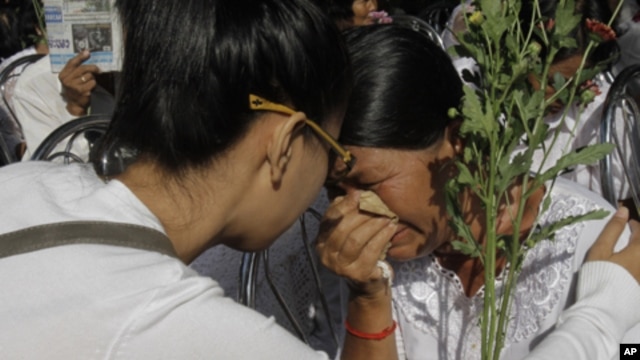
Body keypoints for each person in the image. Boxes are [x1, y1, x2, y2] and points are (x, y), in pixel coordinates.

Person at [0, 0, 397, 359]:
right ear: (284, 143)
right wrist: (371, 302)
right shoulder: (201, 335)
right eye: (334, 153)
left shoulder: (21, 181)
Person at [315, 24, 640, 360]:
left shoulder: (597, 245)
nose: (353, 210)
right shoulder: (366, 259)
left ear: (457, 140)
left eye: (369, 184)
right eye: (333, 189)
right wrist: (367, 298)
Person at [441, 0, 631, 203]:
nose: (564, 96)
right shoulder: (470, 96)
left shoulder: (600, 115)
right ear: (517, 56)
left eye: (579, 83)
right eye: (552, 82)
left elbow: (623, 203)